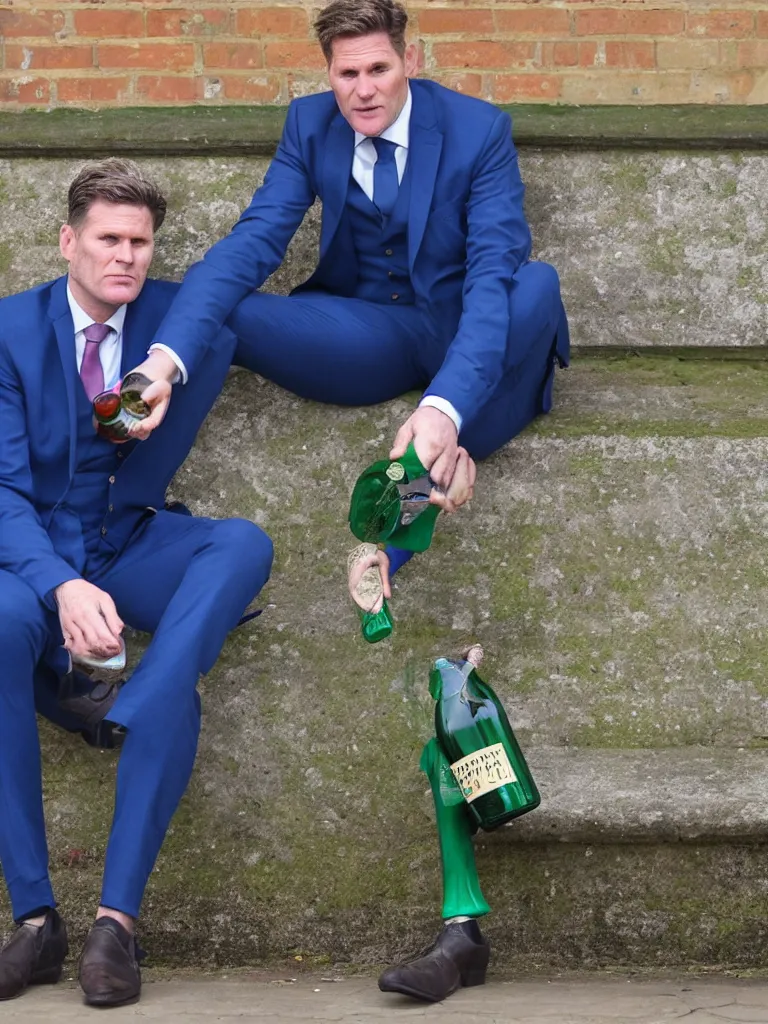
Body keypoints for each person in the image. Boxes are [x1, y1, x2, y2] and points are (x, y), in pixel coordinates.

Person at [0, 158, 273, 1008]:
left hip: (126, 544)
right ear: (68, 241)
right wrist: (59, 588)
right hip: (30, 554)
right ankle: (37, 921)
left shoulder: (169, 326)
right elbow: (1, 489)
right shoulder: (8, 332)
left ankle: (115, 926)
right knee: (1, 625)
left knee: (242, 546)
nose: (125, 257)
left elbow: (230, 285)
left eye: (140, 242)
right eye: (108, 239)